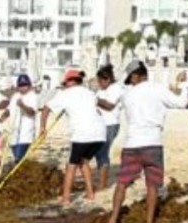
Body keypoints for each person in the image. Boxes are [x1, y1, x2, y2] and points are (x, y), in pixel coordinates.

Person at [99, 61, 188, 223]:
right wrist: (186, 85)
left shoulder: (128, 95)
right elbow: (181, 103)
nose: (130, 81)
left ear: (136, 75)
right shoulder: (157, 88)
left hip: (132, 143)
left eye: (131, 78)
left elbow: (111, 107)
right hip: (153, 143)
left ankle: (112, 221)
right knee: (152, 185)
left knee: (122, 183)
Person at [39, 67, 108, 207]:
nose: (65, 85)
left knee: (71, 165)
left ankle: (66, 198)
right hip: (100, 134)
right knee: (84, 161)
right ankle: (90, 193)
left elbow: (46, 108)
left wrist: (42, 128)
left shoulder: (65, 94)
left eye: (65, 82)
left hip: (82, 134)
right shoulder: (89, 93)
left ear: (70, 81)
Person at [92, 65, 125, 192]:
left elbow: (109, 106)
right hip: (100, 124)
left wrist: (95, 99)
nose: (99, 84)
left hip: (110, 124)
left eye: (100, 81)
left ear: (107, 80)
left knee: (103, 152)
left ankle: (103, 183)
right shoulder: (102, 90)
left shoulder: (116, 89)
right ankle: (102, 179)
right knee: (98, 152)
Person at [8, 73, 42, 165]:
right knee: (17, 159)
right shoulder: (15, 96)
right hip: (13, 135)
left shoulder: (33, 96)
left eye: (25, 85)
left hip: (26, 135)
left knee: (19, 159)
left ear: (29, 85)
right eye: (21, 85)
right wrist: (4, 114)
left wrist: (22, 105)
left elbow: (32, 112)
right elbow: (10, 110)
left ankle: (20, 176)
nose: (23, 87)